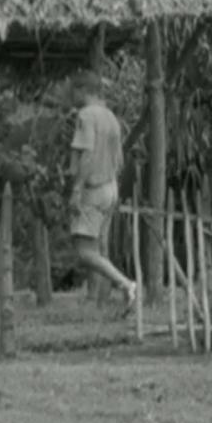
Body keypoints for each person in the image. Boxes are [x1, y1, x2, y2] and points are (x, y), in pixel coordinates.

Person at [67, 69, 137, 315]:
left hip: (93, 188)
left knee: (85, 251)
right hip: (111, 187)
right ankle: (107, 302)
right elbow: (119, 159)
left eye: (73, 90)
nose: (71, 96)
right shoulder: (111, 117)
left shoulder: (86, 116)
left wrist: (76, 189)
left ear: (83, 90)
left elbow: (86, 154)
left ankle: (126, 285)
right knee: (100, 248)